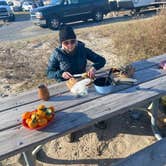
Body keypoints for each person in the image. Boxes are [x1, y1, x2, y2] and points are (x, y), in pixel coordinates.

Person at [47, 25, 107, 142]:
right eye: (66, 43)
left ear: (76, 40)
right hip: (66, 85)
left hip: (83, 81)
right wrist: (60, 73)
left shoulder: (82, 49)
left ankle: (97, 119)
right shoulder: (57, 53)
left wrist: (94, 68)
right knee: (70, 108)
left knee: (92, 100)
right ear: (61, 43)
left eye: (72, 41)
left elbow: (101, 60)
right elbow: (49, 72)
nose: (70, 45)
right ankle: (71, 129)